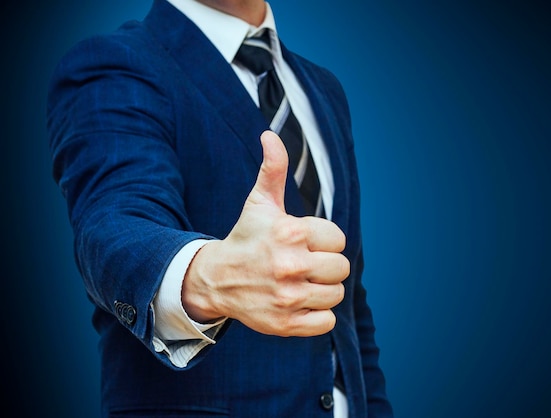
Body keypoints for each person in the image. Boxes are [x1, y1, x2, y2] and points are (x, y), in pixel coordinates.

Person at [47, 0, 393, 416]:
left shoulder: (324, 90)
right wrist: (215, 278)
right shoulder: (114, 64)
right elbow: (112, 229)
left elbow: (347, 298)